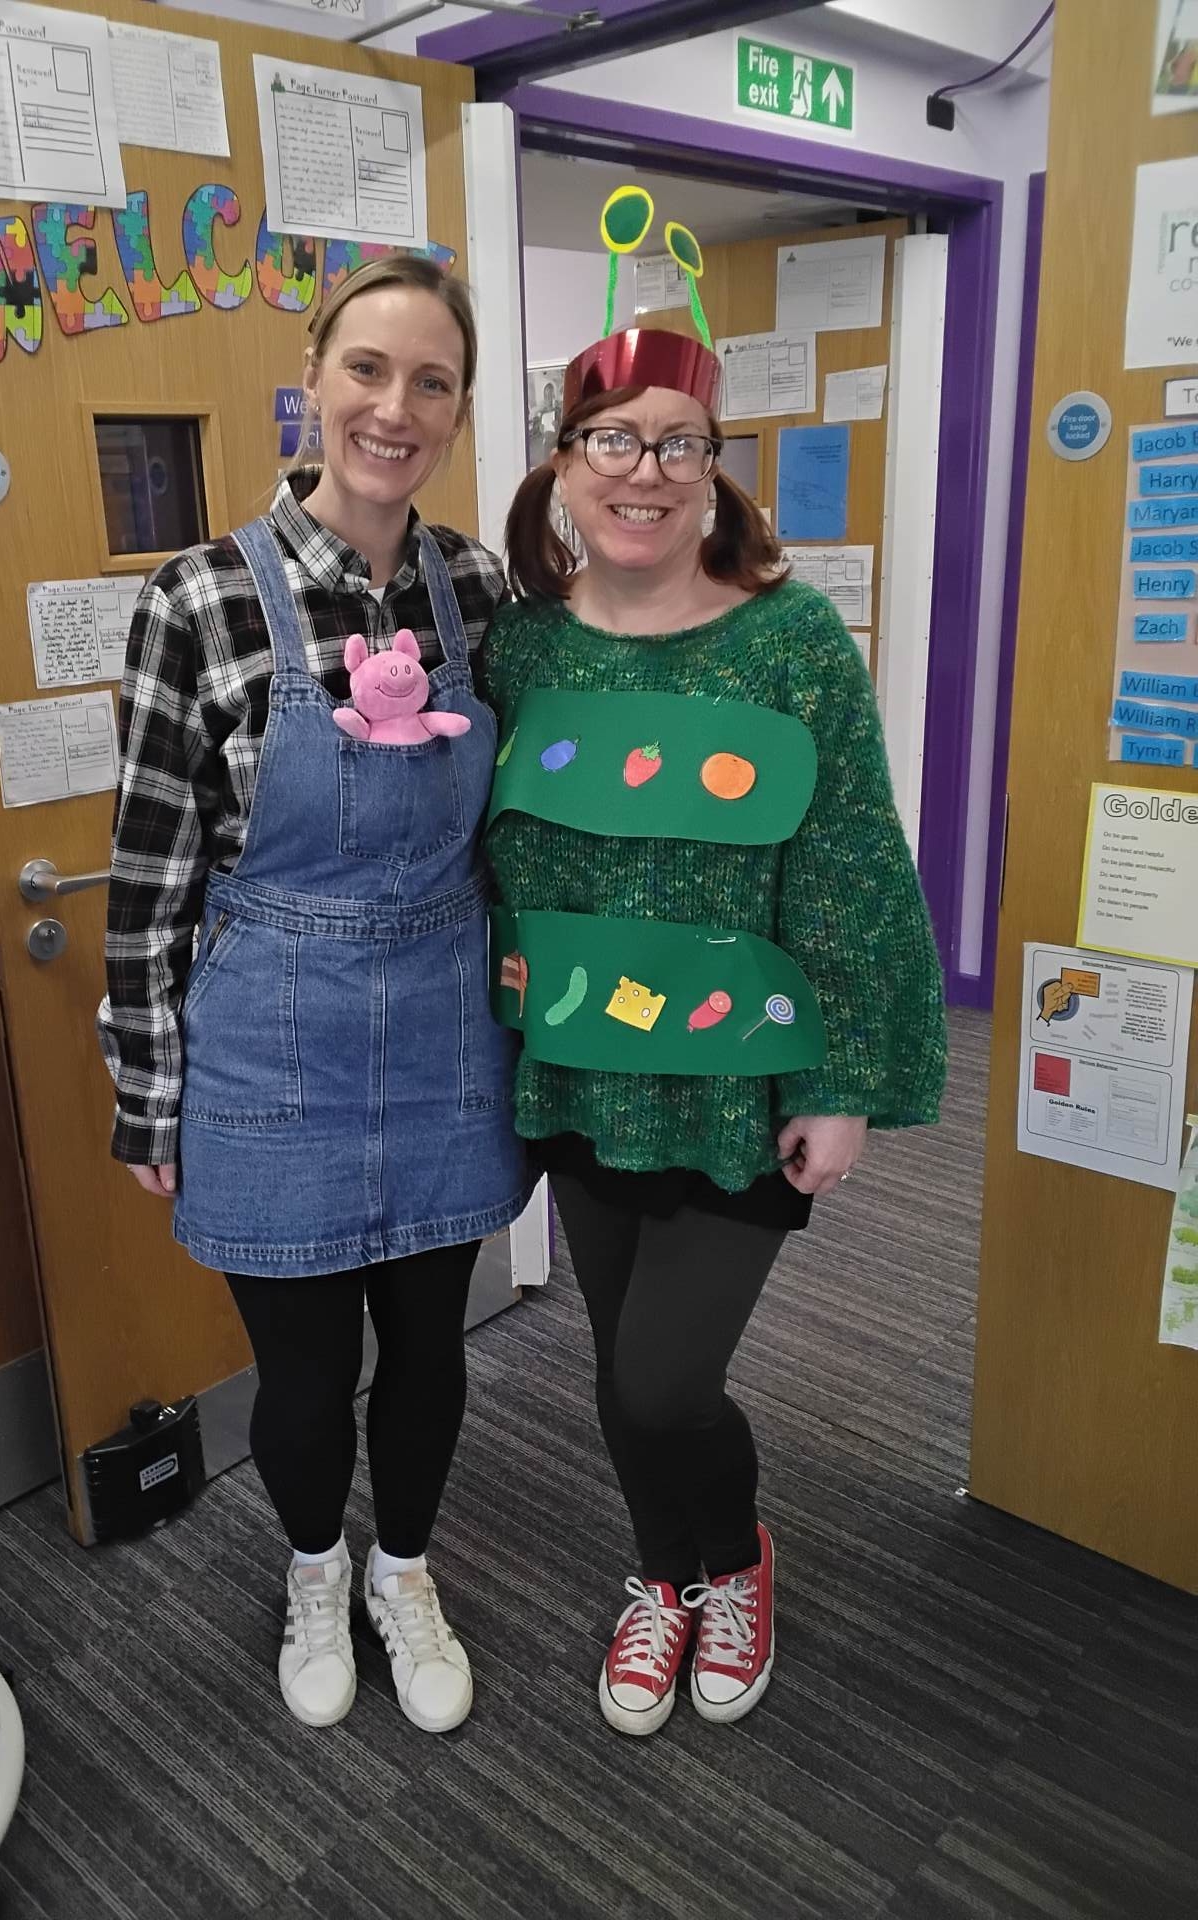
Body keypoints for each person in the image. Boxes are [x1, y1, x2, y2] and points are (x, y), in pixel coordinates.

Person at [483, 326, 946, 1736]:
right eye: (613, 439)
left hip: (740, 1081)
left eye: (678, 442)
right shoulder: (522, 645)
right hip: (584, 1067)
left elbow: (850, 864)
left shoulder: (789, 639)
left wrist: (842, 1079)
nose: (646, 471)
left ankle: (733, 1563)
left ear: (712, 467)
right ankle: (664, 1575)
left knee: (661, 1378)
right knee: (624, 1374)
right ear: (567, 461)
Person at [99, 256, 529, 1735]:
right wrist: (146, 1090)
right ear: (314, 376)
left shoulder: (479, 589)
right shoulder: (202, 594)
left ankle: (401, 1571)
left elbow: (519, 828)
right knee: (299, 1372)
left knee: (428, 1347)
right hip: (267, 1042)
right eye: (367, 369)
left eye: (430, 382)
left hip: (445, 1032)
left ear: (458, 409)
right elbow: (150, 869)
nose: (393, 408)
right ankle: (313, 1568)